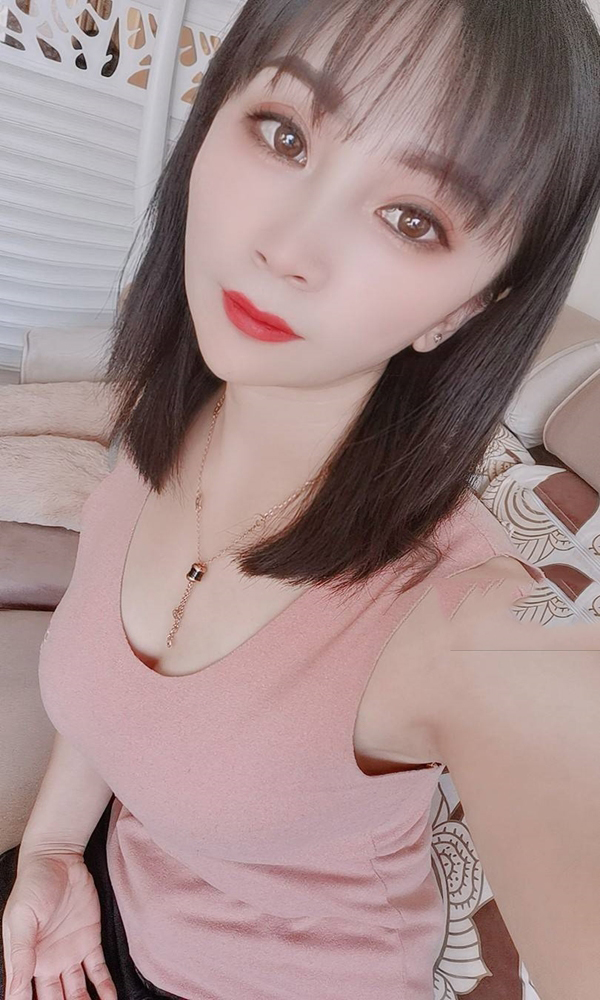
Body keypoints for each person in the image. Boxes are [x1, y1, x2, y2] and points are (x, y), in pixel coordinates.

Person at [2, 0, 600, 998]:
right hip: (96, 907)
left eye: (411, 218)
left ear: (463, 308)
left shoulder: (460, 617)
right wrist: (53, 853)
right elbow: (111, 689)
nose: (288, 246)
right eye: (283, 134)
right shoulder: (172, 414)